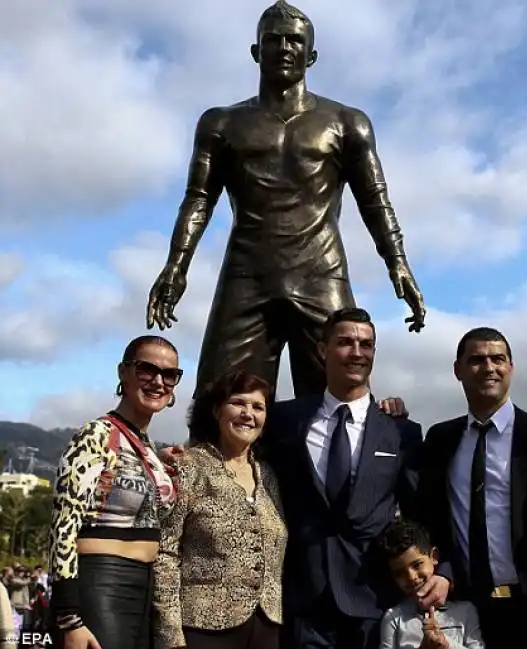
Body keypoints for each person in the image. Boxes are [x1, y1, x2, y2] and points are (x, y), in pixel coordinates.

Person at [146, 0, 425, 399]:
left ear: (311, 55)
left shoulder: (347, 123)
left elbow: (375, 202)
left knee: (340, 400)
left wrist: (397, 263)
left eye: (294, 40)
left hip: (321, 271)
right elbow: (198, 199)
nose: (284, 48)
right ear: (256, 52)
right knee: (221, 399)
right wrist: (176, 265)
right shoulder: (221, 123)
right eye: (272, 40)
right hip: (247, 275)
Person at [264, 307, 449, 649]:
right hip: (303, 600)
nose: (357, 352)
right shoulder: (284, 420)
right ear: (323, 350)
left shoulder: (400, 432)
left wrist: (443, 570)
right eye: (346, 342)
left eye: (366, 344)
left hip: (373, 600)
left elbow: (422, 511)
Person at [417, 327, 527, 649]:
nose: (489, 367)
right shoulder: (440, 440)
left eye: (498, 359)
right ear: (457, 370)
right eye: (476, 360)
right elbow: (429, 517)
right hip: (465, 611)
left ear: (511, 368)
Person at [49, 335, 181, 649]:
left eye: (170, 375)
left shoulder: (145, 446)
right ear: (124, 372)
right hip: (102, 584)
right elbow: (63, 525)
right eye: (146, 369)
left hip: (145, 589)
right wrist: (70, 619)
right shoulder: (97, 433)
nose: (158, 381)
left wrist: (159, 465)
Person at [152, 370, 286, 649]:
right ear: (216, 410)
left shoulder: (270, 477)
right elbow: (165, 552)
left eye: (258, 407)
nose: (248, 413)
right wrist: (170, 635)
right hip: (202, 629)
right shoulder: (189, 467)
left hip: (266, 628)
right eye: (238, 403)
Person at [376, 520, 484, 649]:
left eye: (417, 565)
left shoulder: (465, 610)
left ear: (434, 556)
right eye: (400, 573)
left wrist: (446, 644)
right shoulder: (394, 617)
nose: (411, 577)